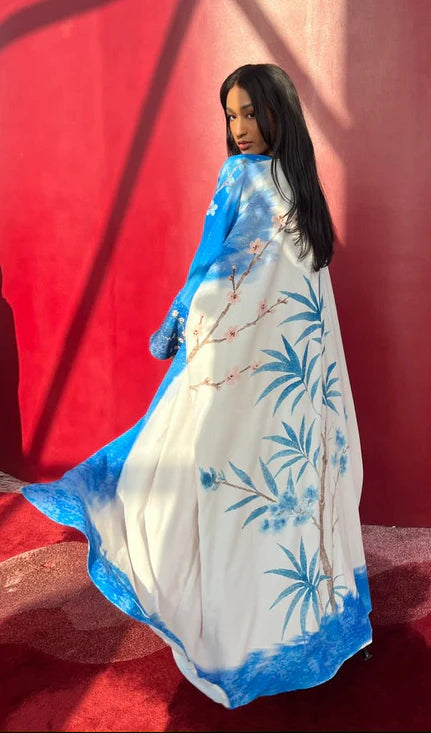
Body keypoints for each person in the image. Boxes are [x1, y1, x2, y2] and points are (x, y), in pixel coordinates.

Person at [22, 63, 373, 709]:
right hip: (289, 390)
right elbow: (251, 276)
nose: (239, 128)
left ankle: (240, 629)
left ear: (280, 112)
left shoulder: (256, 178)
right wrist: (194, 317)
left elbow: (217, 266)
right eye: (231, 115)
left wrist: (178, 319)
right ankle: (299, 627)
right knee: (281, 490)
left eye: (251, 112)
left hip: (262, 379)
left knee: (226, 483)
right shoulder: (298, 187)